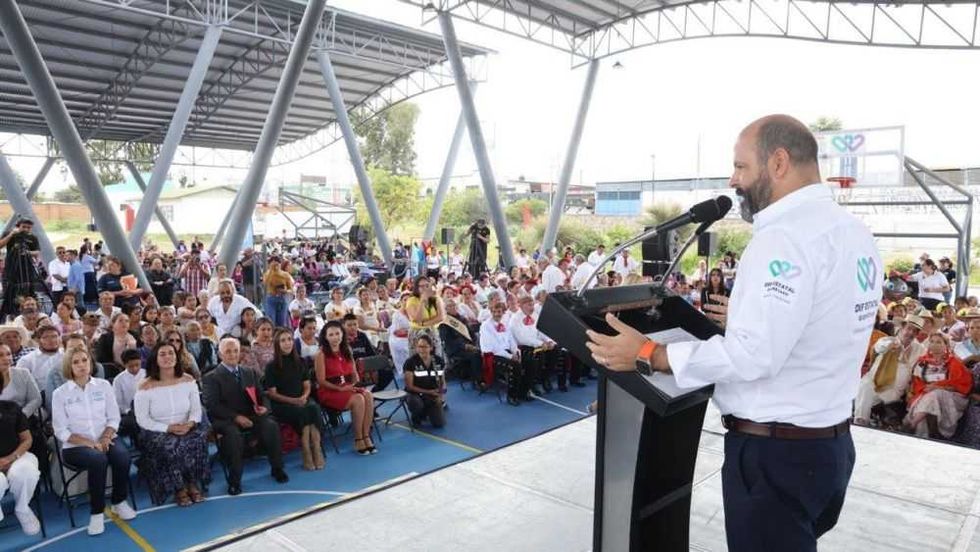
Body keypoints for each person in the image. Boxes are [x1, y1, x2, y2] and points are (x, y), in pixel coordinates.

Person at [585, 115, 882, 551]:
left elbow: (754, 357)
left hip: (775, 458)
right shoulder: (853, 232)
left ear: (778, 162)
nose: (733, 179)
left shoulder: (783, 238)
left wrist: (651, 352)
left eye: (741, 167)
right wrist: (744, 320)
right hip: (829, 449)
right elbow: (823, 322)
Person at [52, 345, 137, 536]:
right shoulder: (60, 394)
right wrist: (91, 444)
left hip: (106, 438)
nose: (82, 365)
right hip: (76, 447)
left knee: (122, 457)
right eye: (76, 362)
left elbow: (114, 418)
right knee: (98, 459)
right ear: (69, 366)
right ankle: (97, 512)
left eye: (85, 360)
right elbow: (61, 431)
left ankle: (119, 502)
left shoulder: (104, 385)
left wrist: (106, 437)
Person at [203, 337, 288, 496]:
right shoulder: (211, 377)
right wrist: (235, 417)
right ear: (220, 354)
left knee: (270, 425)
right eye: (228, 351)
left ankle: (277, 468)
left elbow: (261, 394)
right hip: (226, 420)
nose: (232, 354)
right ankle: (235, 480)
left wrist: (264, 407)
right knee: (233, 436)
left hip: (250, 414)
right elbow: (212, 406)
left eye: (235, 350)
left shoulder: (249, 372)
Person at [133, 342, 209, 506]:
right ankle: (179, 488)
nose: (168, 357)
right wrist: (168, 428)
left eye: (171, 353)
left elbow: (197, 410)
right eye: (163, 354)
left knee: (197, 439)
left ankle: (192, 483)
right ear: (155, 359)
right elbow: (142, 419)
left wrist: (189, 424)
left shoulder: (188, 380)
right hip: (157, 431)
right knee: (172, 446)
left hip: (186, 426)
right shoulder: (145, 386)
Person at [264, 328, 324, 471]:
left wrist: (303, 397)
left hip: (302, 399)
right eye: (283, 340)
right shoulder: (271, 366)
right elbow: (272, 394)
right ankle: (306, 451)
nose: (287, 343)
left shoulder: (300, 361)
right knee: (303, 411)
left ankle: (316, 448)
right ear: (277, 344)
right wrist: (294, 401)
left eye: (289, 339)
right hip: (282, 403)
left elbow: (307, 385)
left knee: (313, 408)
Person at [314, 321, 376, 455]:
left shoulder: (347, 350)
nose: (335, 337)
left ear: (342, 334)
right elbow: (321, 380)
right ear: (325, 337)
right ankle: (358, 438)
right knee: (359, 399)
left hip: (347, 387)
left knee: (368, 395)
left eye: (337, 333)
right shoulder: (321, 354)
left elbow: (354, 374)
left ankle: (366, 435)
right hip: (330, 390)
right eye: (331, 335)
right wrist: (340, 389)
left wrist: (354, 384)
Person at [853, 317, 925, 427]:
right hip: (875, 382)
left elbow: (920, 368)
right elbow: (879, 347)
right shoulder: (887, 340)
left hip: (895, 390)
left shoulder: (920, 349)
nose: (910, 333)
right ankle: (861, 422)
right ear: (902, 328)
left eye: (914, 331)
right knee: (865, 387)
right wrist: (890, 346)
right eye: (909, 328)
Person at [903, 332, 972, 438]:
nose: (934, 345)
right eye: (932, 342)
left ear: (946, 345)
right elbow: (916, 383)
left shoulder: (954, 362)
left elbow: (962, 386)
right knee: (931, 398)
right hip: (926, 394)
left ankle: (913, 423)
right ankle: (931, 433)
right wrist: (926, 389)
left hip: (953, 397)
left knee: (935, 394)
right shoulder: (922, 362)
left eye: (939, 342)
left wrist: (939, 387)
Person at [0, 398, 41, 535]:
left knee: (25, 472)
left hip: (17, 456)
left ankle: (22, 508)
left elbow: (27, 439)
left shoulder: (11, 408)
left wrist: (11, 458)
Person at [479, 301, 522, 406]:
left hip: (506, 352)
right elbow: (494, 348)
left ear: (503, 312)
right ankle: (511, 396)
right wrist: (511, 356)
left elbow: (511, 340)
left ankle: (522, 391)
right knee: (514, 366)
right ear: (491, 312)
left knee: (525, 359)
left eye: (499, 312)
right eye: (494, 312)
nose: (496, 314)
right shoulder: (485, 326)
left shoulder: (505, 324)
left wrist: (516, 352)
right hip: (493, 355)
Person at [0, 218, 43, 321]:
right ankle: (11, 318)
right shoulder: (10, 234)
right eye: (23, 227)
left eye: (28, 227)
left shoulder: (32, 238)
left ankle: (30, 319)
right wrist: (11, 235)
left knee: (29, 298)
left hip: (27, 272)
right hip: (11, 272)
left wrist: (28, 253)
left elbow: (37, 252)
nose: (26, 229)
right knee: (11, 298)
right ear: (18, 226)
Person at [403, 335, 446, 428]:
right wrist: (429, 392)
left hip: (432, 394)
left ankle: (427, 411)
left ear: (431, 348)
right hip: (415, 394)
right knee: (415, 403)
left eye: (425, 347)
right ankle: (417, 416)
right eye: (419, 347)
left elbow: (442, 381)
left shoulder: (438, 361)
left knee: (439, 424)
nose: (422, 349)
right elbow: (409, 386)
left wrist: (441, 395)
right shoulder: (410, 362)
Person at [404, 276, 444, 355]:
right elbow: (416, 319)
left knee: (435, 357)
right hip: (417, 333)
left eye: (426, 285)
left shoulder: (435, 299)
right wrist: (422, 301)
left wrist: (424, 323)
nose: (424, 288)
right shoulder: (411, 300)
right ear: (416, 288)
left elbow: (440, 317)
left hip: (432, 332)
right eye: (421, 286)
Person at [16, 325, 63, 391]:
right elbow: (20, 386)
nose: (51, 340)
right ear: (38, 340)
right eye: (45, 337)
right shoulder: (27, 360)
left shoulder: (67, 356)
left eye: (54, 336)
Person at [112, 349, 144, 442]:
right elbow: (118, 403)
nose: (134, 369)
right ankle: (140, 445)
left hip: (147, 409)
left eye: (137, 365)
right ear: (124, 365)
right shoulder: (118, 380)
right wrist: (128, 410)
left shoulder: (147, 375)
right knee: (132, 423)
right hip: (129, 413)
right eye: (130, 366)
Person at [95, 313, 138, 378]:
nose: (124, 323)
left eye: (127, 321)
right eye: (120, 321)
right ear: (113, 323)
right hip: (112, 371)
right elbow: (101, 358)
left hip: (134, 369)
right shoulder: (105, 338)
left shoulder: (136, 336)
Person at [262, 257, 294, 328]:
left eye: (277, 263)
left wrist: (285, 291)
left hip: (282, 298)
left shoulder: (285, 275)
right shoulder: (267, 274)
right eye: (272, 263)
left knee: (281, 322)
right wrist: (271, 270)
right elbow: (265, 283)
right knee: (271, 321)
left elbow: (291, 290)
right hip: (271, 298)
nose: (275, 265)